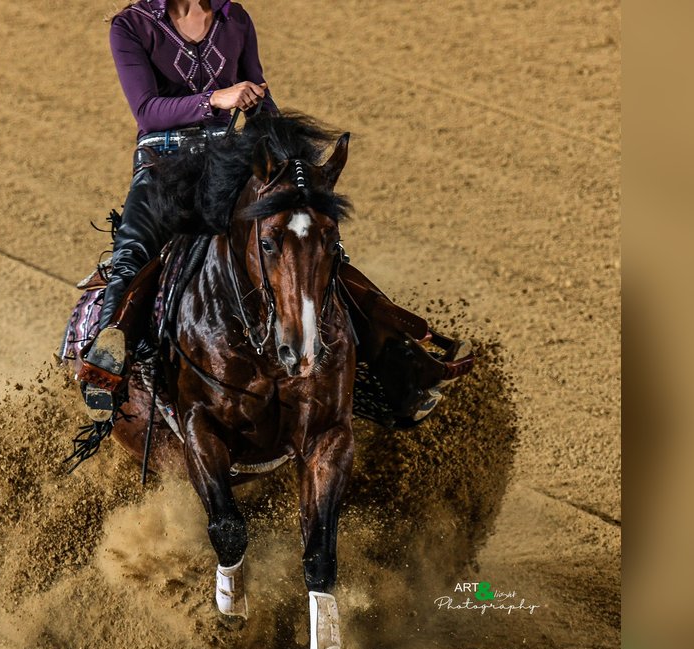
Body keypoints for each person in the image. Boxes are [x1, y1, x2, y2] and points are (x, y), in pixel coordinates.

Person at [78, 0, 470, 422]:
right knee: (133, 251)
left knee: (308, 247)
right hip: (163, 168)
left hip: (231, 167)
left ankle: (397, 360)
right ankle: (106, 364)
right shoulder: (132, 26)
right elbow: (147, 111)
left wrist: (287, 150)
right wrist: (217, 98)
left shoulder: (235, 18)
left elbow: (261, 99)